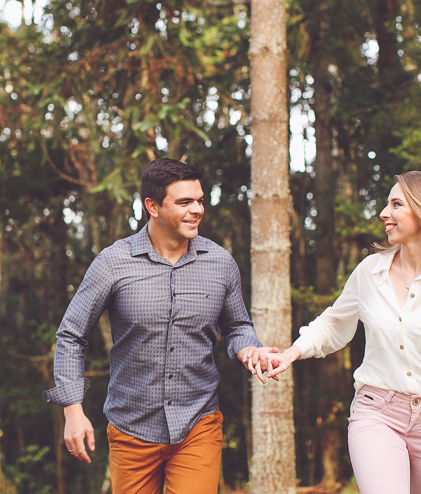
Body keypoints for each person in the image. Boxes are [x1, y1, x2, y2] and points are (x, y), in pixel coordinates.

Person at [265, 171, 421, 494]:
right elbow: (334, 323)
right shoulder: (370, 271)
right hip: (376, 412)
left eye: (396, 204)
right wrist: (291, 353)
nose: (383, 213)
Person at [43, 158, 276, 494]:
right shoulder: (113, 262)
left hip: (198, 425)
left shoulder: (220, 263)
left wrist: (249, 349)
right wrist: (72, 409)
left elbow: (237, 326)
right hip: (130, 429)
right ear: (152, 206)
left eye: (200, 201)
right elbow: (71, 335)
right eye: (184, 202)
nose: (197, 210)